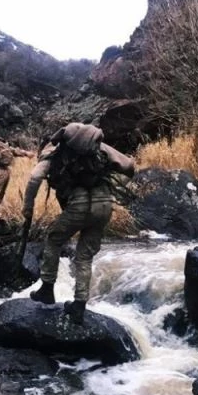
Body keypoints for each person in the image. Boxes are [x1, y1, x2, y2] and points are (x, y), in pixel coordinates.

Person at [23, 122, 135, 324]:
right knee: (84, 256)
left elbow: (34, 178)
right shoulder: (100, 148)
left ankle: (47, 289)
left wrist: (28, 207)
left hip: (78, 205)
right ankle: (79, 306)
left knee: (54, 240)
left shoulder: (58, 153)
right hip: (104, 205)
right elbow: (129, 166)